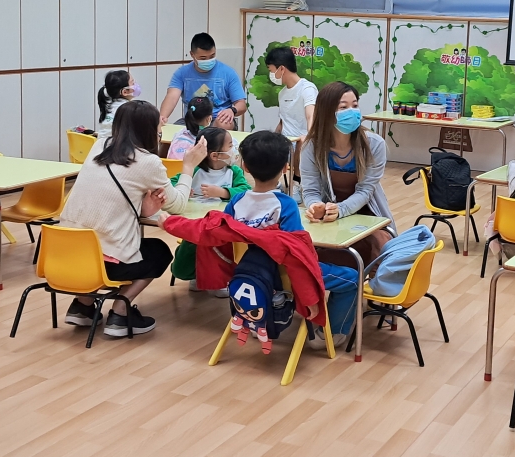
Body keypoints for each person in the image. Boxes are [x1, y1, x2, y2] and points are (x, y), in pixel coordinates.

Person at [59, 100, 208, 337]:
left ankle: (83, 305)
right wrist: (188, 166)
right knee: (159, 251)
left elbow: (109, 197)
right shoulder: (148, 162)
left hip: (62, 254)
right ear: (149, 129)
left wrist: (141, 208)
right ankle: (120, 311)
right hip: (103, 262)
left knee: (111, 240)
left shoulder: (99, 146)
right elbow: (178, 204)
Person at [224, 130, 358, 350]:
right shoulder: (285, 205)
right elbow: (296, 251)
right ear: (286, 168)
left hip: (249, 272)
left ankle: (260, 318)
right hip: (283, 275)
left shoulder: (236, 201)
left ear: (245, 167)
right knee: (352, 278)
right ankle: (333, 333)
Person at [300, 80, 395, 266]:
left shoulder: (374, 144)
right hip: (329, 215)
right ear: (327, 112)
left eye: (355, 105)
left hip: (367, 212)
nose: (351, 112)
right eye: (343, 107)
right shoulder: (311, 147)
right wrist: (315, 206)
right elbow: (310, 190)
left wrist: (341, 210)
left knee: (378, 245)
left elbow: (365, 191)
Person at [169, 126, 250, 293]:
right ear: (214, 155)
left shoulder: (233, 172)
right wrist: (182, 188)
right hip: (195, 225)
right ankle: (196, 275)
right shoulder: (194, 170)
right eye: (230, 145)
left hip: (221, 227)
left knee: (218, 250)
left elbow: (246, 191)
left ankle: (218, 281)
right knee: (183, 264)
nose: (234, 148)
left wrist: (223, 192)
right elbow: (170, 184)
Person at [159, 32, 246, 129]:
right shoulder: (182, 73)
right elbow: (172, 97)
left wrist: (232, 110)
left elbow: (241, 104)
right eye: (203, 58)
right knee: (172, 131)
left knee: (224, 123)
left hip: (218, 119)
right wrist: (162, 117)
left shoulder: (228, 73)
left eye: (212, 56)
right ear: (192, 55)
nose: (208, 60)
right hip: (192, 119)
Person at [265, 46, 318, 139]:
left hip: (303, 142)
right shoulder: (282, 93)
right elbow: (283, 123)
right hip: (286, 143)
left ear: (282, 69)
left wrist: (308, 139)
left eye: (271, 70)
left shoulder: (307, 89)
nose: (271, 74)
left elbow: (311, 117)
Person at [166, 95, 213, 160]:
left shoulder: (178, 133)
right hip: (189, 166)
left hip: (171, 166)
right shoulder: (205, 140)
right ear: (209, 119)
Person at [96, 70, 140, 138]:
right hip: (114, 144)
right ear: (125, 92)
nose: (136, 85)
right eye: (133, 83)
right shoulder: (127, 109)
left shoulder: (111, 106)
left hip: (101, 143)